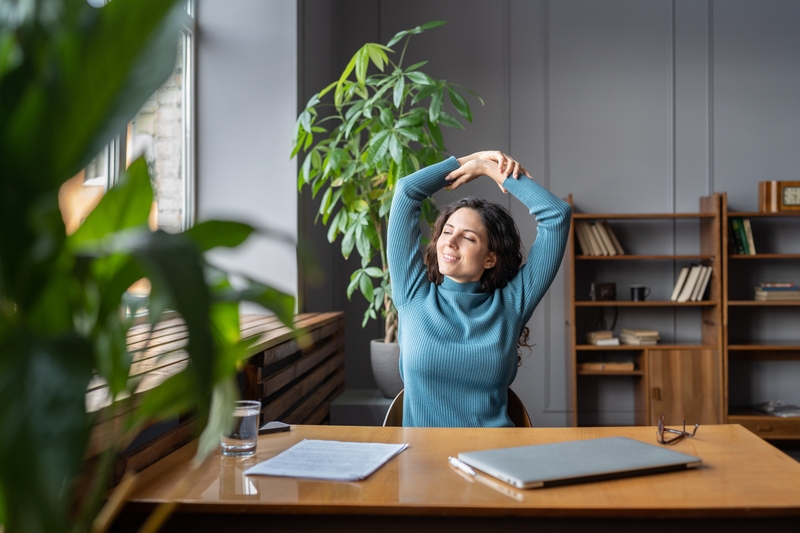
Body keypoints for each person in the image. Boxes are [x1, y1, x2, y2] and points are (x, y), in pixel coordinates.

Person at [387, 151, 571, 427]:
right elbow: (406, 192)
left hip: (494, 457)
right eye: (447, 232)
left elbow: (557, 216)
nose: (450, 243)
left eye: (468, 237)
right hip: (421, 460)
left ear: (490, 258)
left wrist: (490, 170)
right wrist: (471, 159)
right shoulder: (413, 293)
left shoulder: (511, 303)